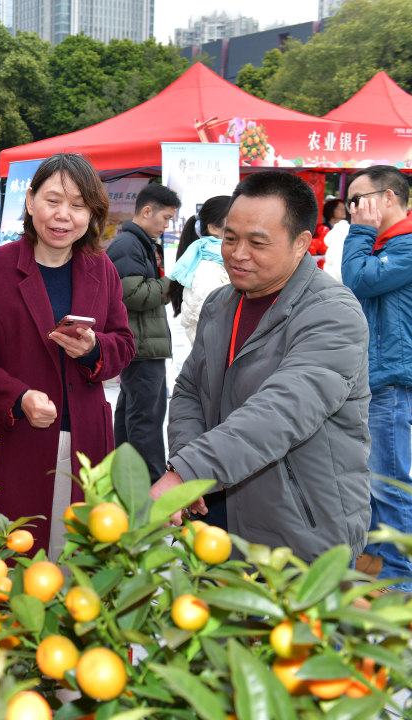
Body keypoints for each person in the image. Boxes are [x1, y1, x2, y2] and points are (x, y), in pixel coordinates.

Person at [152, 171, 370, 564]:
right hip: (216, 519)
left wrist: (188, 471)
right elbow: (189, 391)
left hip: (300, 531)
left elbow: (282, 410)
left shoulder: (332, 313)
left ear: (301, 243)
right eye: (230, 238)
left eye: (257, 242)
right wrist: (191, 465)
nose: (238, 254)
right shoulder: (221, 304)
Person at [0, 154, 135, 555]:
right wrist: (18, 397)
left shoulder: (101, 269)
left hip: (86, 441)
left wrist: (94, 349)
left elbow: (123, 343)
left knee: (79, 563)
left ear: (91, 214)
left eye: (78, 205)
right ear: (30, 201)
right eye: (53, 200)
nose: (63, 215)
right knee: (8, 562)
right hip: (14, 441)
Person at [341, 165, 412, 593]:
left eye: (358, 199)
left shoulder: (405, 245)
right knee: (374, 481)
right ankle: (378, 565)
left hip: (391, 382)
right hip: (377, 379)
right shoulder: (387, 245)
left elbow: (357, 280)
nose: (352, 209)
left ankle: (400, 578)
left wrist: (360, 232)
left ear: (388, 198)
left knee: (389, 483)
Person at [106, 183, 181, 481]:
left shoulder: (137, 243)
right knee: (146, 418)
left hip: (141, 344)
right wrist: (172, 283)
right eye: (165, 218)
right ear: (147, 211)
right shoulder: (128, 245)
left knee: (133, 414)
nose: (167, 225)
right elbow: (132, 294)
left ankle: (125, 479)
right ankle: (150, 483)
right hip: (141, 346)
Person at [169, 195, 233, 346]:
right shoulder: (207, 270)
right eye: (234, 220)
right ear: (213, 228)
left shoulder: (224, 263)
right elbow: (215, 327)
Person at [322, 198, 351, 282]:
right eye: (339, 208)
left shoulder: (347, 228)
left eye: (344, 208)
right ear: (331, 210)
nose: (343, 210)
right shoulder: (322, 228)